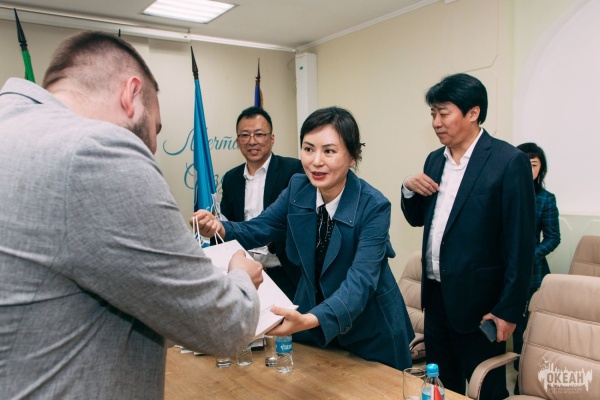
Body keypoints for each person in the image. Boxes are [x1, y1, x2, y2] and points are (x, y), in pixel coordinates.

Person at [0, 31, 262, 399]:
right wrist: (240, 276)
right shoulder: (98, 151)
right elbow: (224, 326)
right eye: (155, 128)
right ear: (131, 94)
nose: (151, 148)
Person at [194, 106, 415, 370]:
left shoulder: (374, 206)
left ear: (353, 156)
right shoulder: (298, 188)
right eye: (309, 149)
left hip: (371, 330)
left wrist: (310, 319)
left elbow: (361, 282)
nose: (316, 161)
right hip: (319, 329)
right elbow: (260, 227)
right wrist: (219, 228)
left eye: (329, 151)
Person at [401, 73, 535, 399]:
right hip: (436, 300)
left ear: (473, 112)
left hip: (482, 307)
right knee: (441, 386)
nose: (436, 122)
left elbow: (521, 245)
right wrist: (408, 189)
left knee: (485, 389)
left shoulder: (508, 161)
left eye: (443, 113)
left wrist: (508, 310)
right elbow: (418, 219)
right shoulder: (435, 160)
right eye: (433, 113)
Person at [220, 106, 304, 300]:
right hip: (245, 274)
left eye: (259, 134)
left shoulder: (293, 171)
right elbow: (228, 222)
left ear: (271, 138)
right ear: (237, 141)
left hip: (284, 272)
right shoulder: (231, 178)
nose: (252, 141)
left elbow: (298, 223)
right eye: (245, 135)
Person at [513, 142, 560, 392]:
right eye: (522, 163)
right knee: (509, 324)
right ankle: (516, 371)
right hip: (503, 270)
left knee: (531, 329)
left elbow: (553, 238)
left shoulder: (545, 199)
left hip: (533, 273)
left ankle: (528, 381)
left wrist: (530, 256)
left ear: (541, 169)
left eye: (533, 165)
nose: (527, 169)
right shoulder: (504, 193)